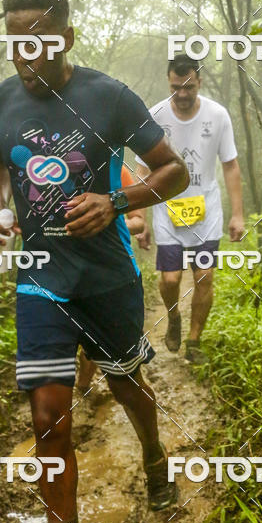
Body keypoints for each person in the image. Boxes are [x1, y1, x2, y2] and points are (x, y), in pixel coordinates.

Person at [0, 0, 189, 523]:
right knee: (49, 419)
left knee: (128, 386)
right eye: (14, 43)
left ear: (66, 38)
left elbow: (173, 171)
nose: (24, 56)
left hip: (104, 278)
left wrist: (116, 202)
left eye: (38, 42)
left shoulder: (108, 97)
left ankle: (153, 455)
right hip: (40, 278)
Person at [136, 55, 244, 364]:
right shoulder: (154, 115)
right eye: (175, 88)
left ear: (199, 81)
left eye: (188, 87)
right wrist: (140, 218)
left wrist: (237, 214)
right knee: (170, 280)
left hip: (206, 210)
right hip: (167, 210)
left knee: (204, 277)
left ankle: (194, 342)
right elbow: (143, 170)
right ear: (168, 83)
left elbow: (231, 165)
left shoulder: (218, 115)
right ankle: (173, 317)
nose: (182, 94)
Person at [76, 165, 150, 392]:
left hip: (111, 272)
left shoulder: (119, 171)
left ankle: (85, 386)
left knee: (104, 346)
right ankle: (82, 388)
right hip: (67, 271)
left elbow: (138, 222)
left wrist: (108, 220)